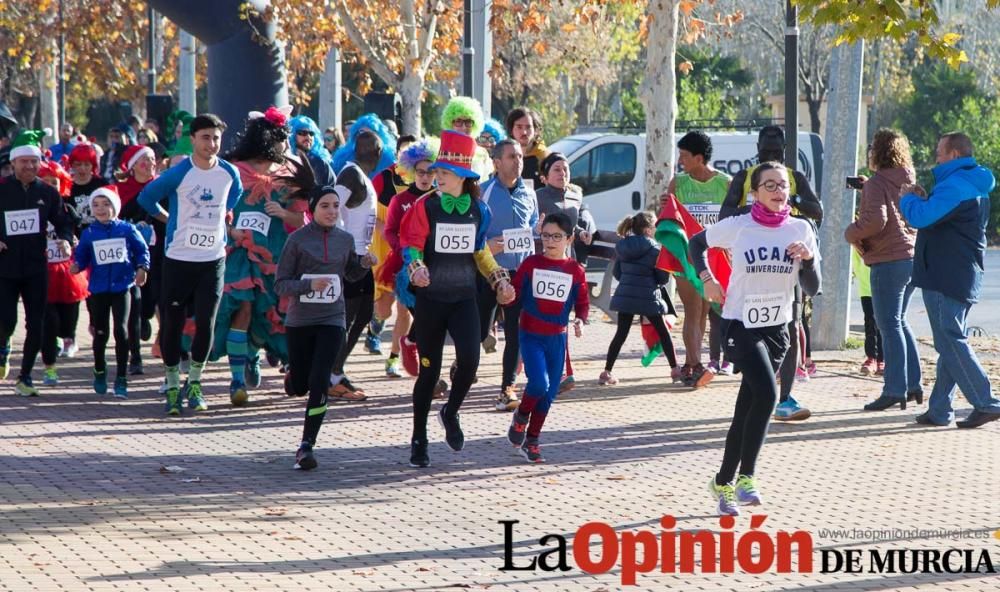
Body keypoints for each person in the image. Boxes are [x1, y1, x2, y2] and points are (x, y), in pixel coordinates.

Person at [690, 162, 821, 516]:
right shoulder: (739, 225)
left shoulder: (802, 228)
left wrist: (808, 261)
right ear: (755, 193)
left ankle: (722, 483)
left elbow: (813, 287)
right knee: (768, 392)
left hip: (779, 329)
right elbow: (695, 244)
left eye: (783, 185)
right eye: (770, 185)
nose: (779, 192)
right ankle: (747, 477)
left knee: (747, 409)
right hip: (739, 323)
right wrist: (707, 278)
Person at [399, 130, 514, 468]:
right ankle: (419, 438)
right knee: (429, 372)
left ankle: (450, 412)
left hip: (464, 299)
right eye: (436, 172)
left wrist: (498, 279)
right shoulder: (425, 206)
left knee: (471, 362)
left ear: (463, 176)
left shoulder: (479, 209)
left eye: (444, 173)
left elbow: (480, 251)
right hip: (431, 302)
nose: (437, 178)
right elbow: (412, 246)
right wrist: (417, 269)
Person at [138, 113, 243, 415]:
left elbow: (232, 198)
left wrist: (222, 218)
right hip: (178, 259)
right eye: (206, 137)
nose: (212, 144)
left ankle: (195, 384)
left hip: (212, 260)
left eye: (216, 138)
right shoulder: (179, 172)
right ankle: (172, 385)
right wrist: (169, 219)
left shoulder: (229, 173)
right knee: (172, 325)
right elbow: (147, 198)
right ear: (194, 139)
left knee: (206, 323)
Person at [720, 125, 823, 421]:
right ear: (757, 147)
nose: (771, 154)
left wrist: (793, 203)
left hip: (787, 260)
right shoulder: (746, 178)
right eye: (766, 150)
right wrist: (756, 218)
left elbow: (817, 211)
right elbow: (724, 215)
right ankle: (757, 388)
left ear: (785, 150)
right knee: (752, 329)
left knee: (790, 326)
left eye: (776, 151)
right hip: (752, 264)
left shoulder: (793, 179)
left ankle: (786, 397)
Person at [901, 132, 1000, 428]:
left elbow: (920, 218)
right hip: (961, 273)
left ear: (954, 155)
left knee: (949, 339)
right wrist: (923, 198)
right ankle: (940, 408)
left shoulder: (955, 186)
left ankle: (986, 402)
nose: (936, 157)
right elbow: (939, 217)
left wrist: (906, 198)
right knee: (950, 340)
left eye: (940, 152)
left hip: (946, 275)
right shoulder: (967, 183)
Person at [213, 106, 311, 406]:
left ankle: (253, 353)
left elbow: (305, 220)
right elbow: (216, 213)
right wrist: (231, 232)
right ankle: (236, 382)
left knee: (270, 315)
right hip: (239, 254)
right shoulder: (231, 170)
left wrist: (283, 212)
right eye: (281, 139)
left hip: (277, 257)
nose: (286, 145)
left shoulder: (292, 172)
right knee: (241, 309)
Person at [274, 185, 377, 470]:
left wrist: (365, 265)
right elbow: (281, 283)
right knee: (301, 386)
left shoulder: (345, 240)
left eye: (335, 206)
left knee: (320, 379)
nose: (332, 211)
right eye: (325, 206)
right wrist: (308, 285)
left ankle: (307, 445)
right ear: (312, 209)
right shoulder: (297, 241)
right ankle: (293, 376)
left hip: (333, 318)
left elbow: (351, 275)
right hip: (301, 321)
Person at [844, 129, 922, 412]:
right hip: (912, 257)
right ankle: (914, 385)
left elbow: (875, 221)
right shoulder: (908, 179)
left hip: (888, 260)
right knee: (900, 322)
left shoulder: (877, 183)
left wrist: (850, 232)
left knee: (888, 325)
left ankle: (894, 389)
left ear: (878, 152)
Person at [505, 212, 588, 463]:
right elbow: (516, 293)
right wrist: (507, 293)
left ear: (569, 239)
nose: (550, 241)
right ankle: (521, 416)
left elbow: (582, 302)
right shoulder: (531, 264)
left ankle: (532, 439)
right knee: (538, 385)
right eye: (546, 236)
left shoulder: (575, 270)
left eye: (557, 236)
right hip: (531, 335)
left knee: (549, 394)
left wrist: (580, 320)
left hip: (557, 340)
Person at [0, 130, 75, 394]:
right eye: (24, 162)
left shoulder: (47, 192)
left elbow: (64, 221)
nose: (30, 166)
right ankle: (3, 345)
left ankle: (25, 377)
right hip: (5, 267)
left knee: (37, 322)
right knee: (6, 321)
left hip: (35, 267)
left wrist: (66, 239)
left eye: (34, 162)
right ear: (13, 164)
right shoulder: (2, 189)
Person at [660, 131, 733, 386]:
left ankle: (693, 362)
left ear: (699, 158)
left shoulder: (725, 183)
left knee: (703, 312)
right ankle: (693, 364)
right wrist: (664, 206)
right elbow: (667, 216)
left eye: (684, 156)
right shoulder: (678, 183)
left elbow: (733, 219)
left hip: (713, 257)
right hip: (685, 256)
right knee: (692, 310)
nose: (680, 161)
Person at [71, 186, 150, 398]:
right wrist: (76, 264)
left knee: (121, 331)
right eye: (96, 205)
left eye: (106, 204)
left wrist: (142, 268)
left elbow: (142, 250)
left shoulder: (126, 229)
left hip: (122, 286)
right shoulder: (89, 233)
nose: (101, 209)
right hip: (98, 288)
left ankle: (121, 378)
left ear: (115, 207)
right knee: (100, 332)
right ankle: (99, 369)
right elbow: (82, 255)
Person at [379, 138, 444, 392]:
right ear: (411, 172)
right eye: (420, 172)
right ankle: (428, 375)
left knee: (433, 321)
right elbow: (390, 231)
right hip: (407, 269)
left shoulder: (440, 199)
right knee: (427, 319)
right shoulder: (401, 200)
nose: (425, 177)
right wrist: (406, 252)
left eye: (431, 172)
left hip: (438, 268)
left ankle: (412, 343)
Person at [479, 138, 539, 411]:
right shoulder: (483, 192)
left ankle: (507, 387)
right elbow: (472, 234)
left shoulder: (529, 192)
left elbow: (533, 227)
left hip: (518, 272)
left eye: (520, 156)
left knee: (515, 331)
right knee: (479, 330)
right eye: (512, 157)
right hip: (488, 271)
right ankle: (462, 363)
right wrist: (487, 246)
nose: (518, 161)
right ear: (497, 162)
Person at [534, 151, 595, 393]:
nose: (563, 173)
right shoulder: (538, 196)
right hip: (544, 263)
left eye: (566, 169)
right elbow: (532, 225)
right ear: (545, 175)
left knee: (562, 317)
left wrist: (581, 233)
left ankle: (561, 371)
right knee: (545, 319)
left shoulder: (576, 193)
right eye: (557, 169)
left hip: (568, 262)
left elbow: (574, 223)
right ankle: (545, 371)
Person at [327, 131, 380, 400]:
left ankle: (335, 370)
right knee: (347, 318)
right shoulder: (352, 175)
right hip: (352, 258)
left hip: (363, 257)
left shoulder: (362, 176)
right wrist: (346, 251)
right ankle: (332, 375)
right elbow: (332, 208)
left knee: (362, 316)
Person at [599, 212, 678, 385]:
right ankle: (674, 369)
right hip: (649, 296)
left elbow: (617, 273)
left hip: (626, 296)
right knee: (663, 333)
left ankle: (607, 372)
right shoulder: (656, 249)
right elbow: (662, 278)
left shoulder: (622, 246)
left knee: (621, 333)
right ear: (648, 230)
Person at [37, 160, 88, 386]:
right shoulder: (32, 209)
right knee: (49, 320)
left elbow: (81, 230)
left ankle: (69, 337)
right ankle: (50, 365)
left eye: (54, 182)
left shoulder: (67, 209)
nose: (50, 186)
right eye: (45, 181)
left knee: (68, 317)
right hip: (41, 271)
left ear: (62, 184)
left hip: (68, 270)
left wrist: (75, 240)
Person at [370, 134, 418, 365]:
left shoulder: (426, 181)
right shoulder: (384, 178)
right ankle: (376, 323)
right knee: (384, 309)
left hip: (413, 255)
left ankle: (394, 358)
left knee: (404, 309)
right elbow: (368, 212)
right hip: (386, 250)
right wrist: (388, 231)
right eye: (404, 152)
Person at [115, 144, 159, 376]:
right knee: (135, 303)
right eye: (144, 160)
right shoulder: (121, 191)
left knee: (156, 297)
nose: (150, 163)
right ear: (133, 167)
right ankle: (136, 356)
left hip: (160, 252)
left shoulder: (162, 186)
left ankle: (148, 318)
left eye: (153, 159)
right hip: (130, 255)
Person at [442, 96, 492, 178]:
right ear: (450, 124)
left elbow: (485, 183)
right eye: (458, 122)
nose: (464, 127)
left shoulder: (482, 154)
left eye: (468, 122)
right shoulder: (442, 151)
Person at [852, 246, 883, 376]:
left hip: (883, 286)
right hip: (866, 287)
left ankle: (882, 359)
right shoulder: (861, 234)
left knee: (883, 324)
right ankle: (871, 358)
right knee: (870, 322)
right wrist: (862, 277)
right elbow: (856, 259)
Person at [67, 142, 110, 232]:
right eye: (78, 164)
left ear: (93, 165)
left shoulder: (102, 184)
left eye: (87, 164)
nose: (83, 168)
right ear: (72, 165)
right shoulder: (66, 186)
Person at [505, 107, 549, 189]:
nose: (524, 132)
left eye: (528, 127)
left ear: (536, 130)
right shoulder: (503, 156)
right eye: (519, 127)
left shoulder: (545, 158)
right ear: (511, 130)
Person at [289, 115, 336, 187]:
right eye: (303, 133)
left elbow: (333, 188)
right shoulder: (285, 160)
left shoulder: (319, 162)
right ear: (292, 135)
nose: (308, 137)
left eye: (311, 133)